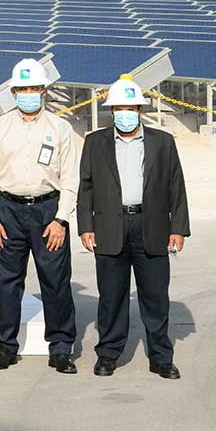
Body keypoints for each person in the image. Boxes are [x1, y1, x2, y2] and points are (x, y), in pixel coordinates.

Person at [80, 78, 189, 380]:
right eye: (119, 108)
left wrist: (178, 228)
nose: (125, 113)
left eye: (131, 107)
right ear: (111, 110)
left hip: (150, 225)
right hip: (110, 226)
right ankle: (108, 354)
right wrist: (86, 226)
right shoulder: (95, 142)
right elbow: (86, 187)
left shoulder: (163, 142)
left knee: (155, 296)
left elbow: (175, 186)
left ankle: (161, 357)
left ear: (141, 109)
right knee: (111, 296)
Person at [0, 59, 79, 374]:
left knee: (56, 282)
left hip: (48, 211)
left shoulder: (60, 128)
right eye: (22, 89)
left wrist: (61, 219)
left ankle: (61, 348)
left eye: (34, 88)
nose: (28, 93)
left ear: (44, 90)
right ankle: (5, 348)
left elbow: (71, 179)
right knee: (6, 283)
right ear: (13, 91)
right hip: (6, 211)